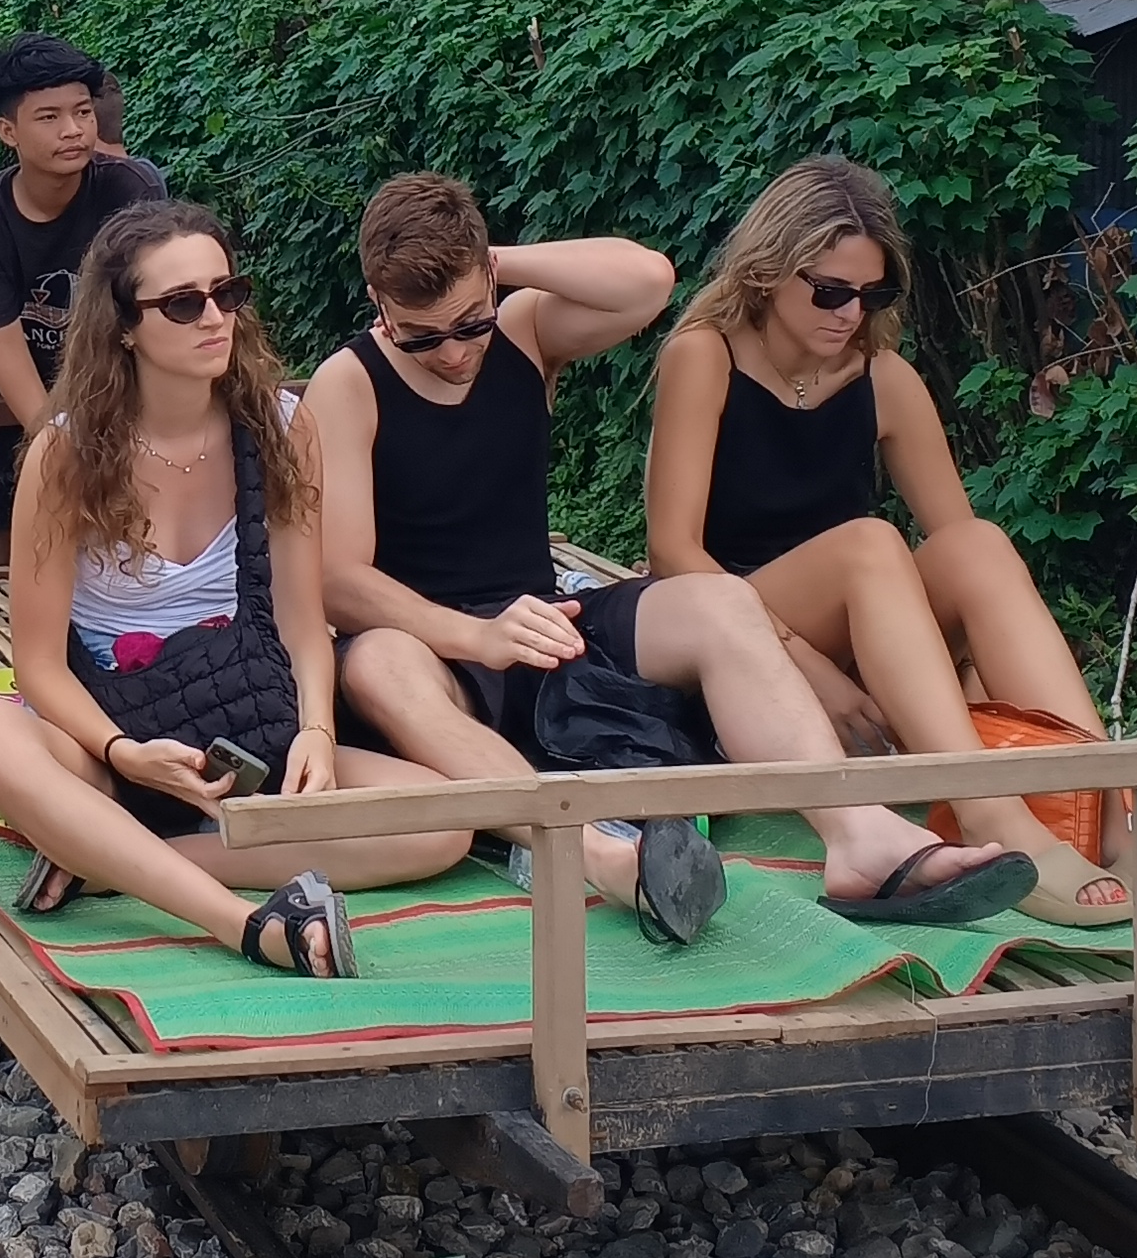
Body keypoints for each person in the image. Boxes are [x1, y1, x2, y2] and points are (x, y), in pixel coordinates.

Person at [313, 173, 1033, 936]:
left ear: (490, 281)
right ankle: (597, 857)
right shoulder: (349, 383)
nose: (454, 353)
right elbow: (339, 582)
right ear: (377, 304)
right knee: (375, 663)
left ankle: (861, 836)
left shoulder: (522, 332)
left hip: (551, 620)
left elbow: (646, 282)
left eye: (468, 324)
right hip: (434, 645)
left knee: (719, 600)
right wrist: (470, 635)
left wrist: (493, 267)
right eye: (420, 335)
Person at [646, 155, 1137, 927]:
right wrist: (801, 661)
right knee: (870, 543)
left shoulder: (884, 377)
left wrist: (953, 668)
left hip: (860, 620)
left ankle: (1111, 816)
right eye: (830, 291)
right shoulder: (705, 355)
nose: (849, 312)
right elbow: (672, 553)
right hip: (731, 630)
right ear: (768, 273)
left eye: (873, 294)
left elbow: (956, 549)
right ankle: (993, 819)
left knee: (978, 545)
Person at [0, 205, 471, 974]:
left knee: (441, 826)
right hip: (112, 734)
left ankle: (118, 862)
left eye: (228, 293)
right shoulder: (65, 453)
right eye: (183, 303)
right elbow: (39, 666)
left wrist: (318, 733)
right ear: (123, 325)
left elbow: (301, 625)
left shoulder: (283, 427)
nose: (215, 318)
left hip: (246, 719)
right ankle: (244, 925)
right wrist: (123, 754)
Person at [0, 35, 170, 531]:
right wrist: (60, 443)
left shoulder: (131, 191)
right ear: (8, 131)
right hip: (19, 412)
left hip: (127, 400)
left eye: (82, 112)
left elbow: (154, 315)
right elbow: (5, 350)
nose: (72, 130)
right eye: (49, 117)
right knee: (23, 553)